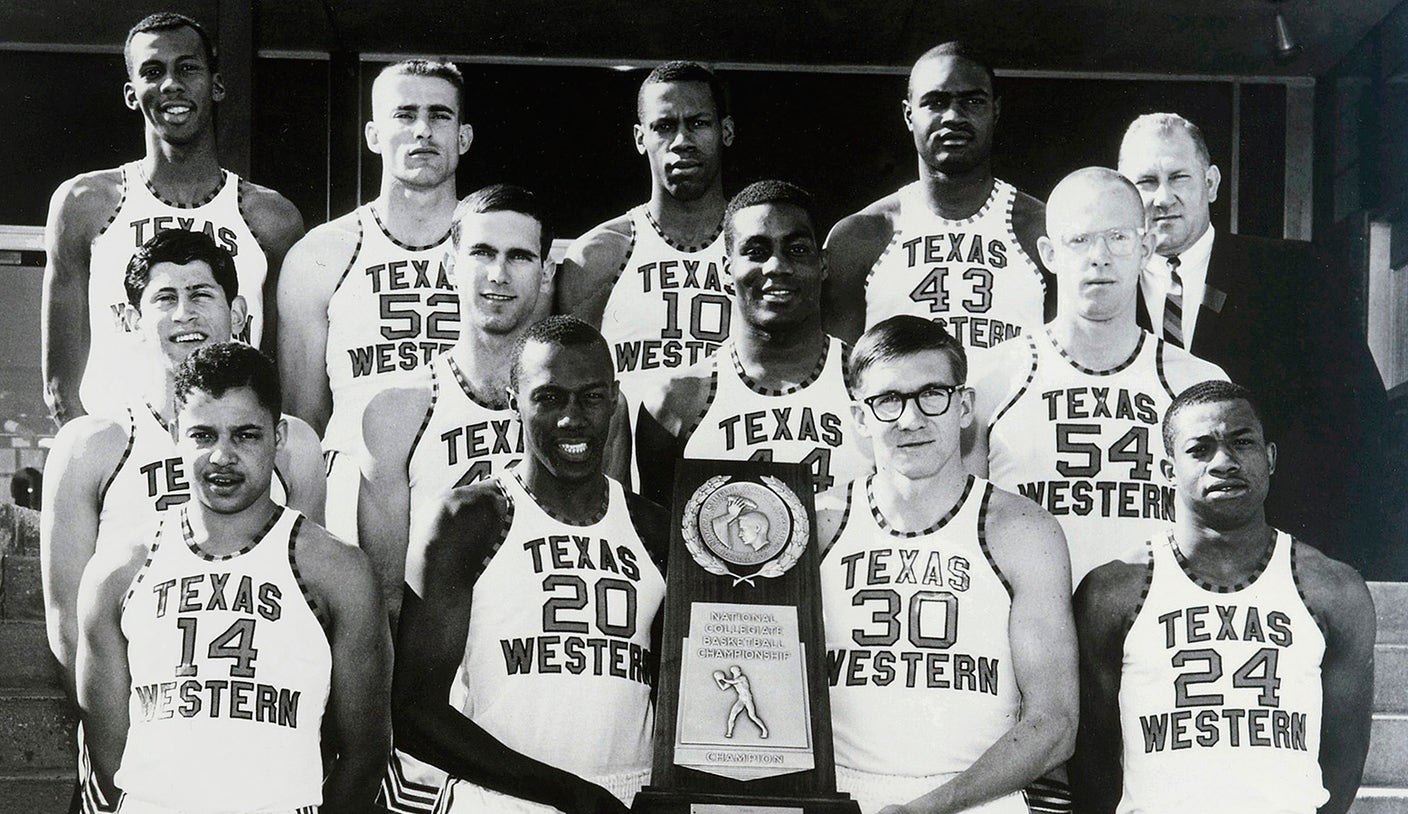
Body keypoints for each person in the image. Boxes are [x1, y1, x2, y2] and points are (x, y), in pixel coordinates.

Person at [75, 342, 391, 814]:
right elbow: (109, 755)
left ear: (278, 437)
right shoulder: (118, 571)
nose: (222, 456)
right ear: (177, 435)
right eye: (203, 436)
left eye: (245, 435)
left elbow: (365, 752)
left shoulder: (336, 570)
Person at [390, 316, 667, 814]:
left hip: (625, 799)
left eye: (592, 396)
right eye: (549, 397)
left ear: (615, 400)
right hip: (498, 800)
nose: (572, 418)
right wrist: (569, 794)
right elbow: (415, 713)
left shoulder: (654, 530)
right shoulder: (468, 520)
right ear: (513, 398)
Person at [42, 230, 325, 711]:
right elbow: (68, 624)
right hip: (136, 712)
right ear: (132, 319)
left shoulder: (291, 441)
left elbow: (310, 600)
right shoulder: (93, 444)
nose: (183, 314)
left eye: (201, 294)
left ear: (237, 314)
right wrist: (119, 734)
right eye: (164, 298)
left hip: (257, 707)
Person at [1072, 380, 1376, 814]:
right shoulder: (1113, 592)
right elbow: (1094, 760)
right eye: (1199, 449)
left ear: (1269, 458)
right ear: (1168, 470)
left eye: (1241, 442)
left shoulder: (1332, 589)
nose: (1224, 462)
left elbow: (1344, 755)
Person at [1116, 113, 1393, 574]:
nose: (1162, 198)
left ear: (1211, 183)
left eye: (1178, 177)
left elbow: (1359, 424)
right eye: (1145, 182)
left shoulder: (1294, 275)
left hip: (1276, 556)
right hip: (1136, 558)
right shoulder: (1097, 289)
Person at [821, 315, 1077, 814]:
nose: (911, 419)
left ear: (964, 406)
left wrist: (927, 809)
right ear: (859, 418)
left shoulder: (1021, 531)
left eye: (932, 394)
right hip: (841, 796)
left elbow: (1055, 724)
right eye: (888, 400)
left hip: (979, 797)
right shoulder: (820, 525)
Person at [359, 184, 628, 630]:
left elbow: (609, 553)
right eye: (482, 253)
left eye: (520, 256)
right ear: (450, 265)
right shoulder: (396, 414)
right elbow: (388, 599)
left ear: (545, 274)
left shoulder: (596, 413)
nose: (499, 274)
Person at [966, 168, 1226, 586]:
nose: (1099, 256)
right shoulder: (993, 379)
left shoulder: (1197, 386)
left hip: (1154, 629)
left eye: (1118, 238)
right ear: (1049, 254)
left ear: (1145, 248)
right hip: (1029, 627)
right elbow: (968, 537)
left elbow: (1221, 536)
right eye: (1079, 240)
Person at [42, 11, 303, 424]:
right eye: (152, 71)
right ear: (132, 93)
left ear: (215, 85)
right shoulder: (86, 204)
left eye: (187, 68)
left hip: (225, 457)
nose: (171, 84)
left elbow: (281, 377)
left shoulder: (270, 218)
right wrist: (97, 464)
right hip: (117, 453)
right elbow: (60, 384)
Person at [278, 58, 473, 541]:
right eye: (404, 115)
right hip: (353, 486)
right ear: (372, 135)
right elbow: (305, 416)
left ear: (464, 137)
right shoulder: (322, 254)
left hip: (472, 482)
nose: (422, 130)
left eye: (440, 115)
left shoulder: (500, 251)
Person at [636, 180, 870, 510]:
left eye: (797, 250)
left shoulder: (870, 386)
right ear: (726, 269)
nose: (776, 266)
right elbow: (662, 545)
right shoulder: (676, 401)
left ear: (823, 264)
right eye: (756, 252)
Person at [823, 42, 1049, 368]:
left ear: (995, 111)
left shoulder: (1042, 229)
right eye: (935, 102)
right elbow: (841, 378)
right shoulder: (860, 236)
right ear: (908, 114)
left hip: (1013, 419)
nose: (954, 116)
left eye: (973, 101)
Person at [557, 60, 735, 404]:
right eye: (665, 126)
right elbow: (574, 392)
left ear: (725, 131)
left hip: (728, 452)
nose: (682, 140)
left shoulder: (759, 250)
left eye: (698, 123)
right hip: (628, 456)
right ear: (641, 138)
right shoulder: (597, 255)